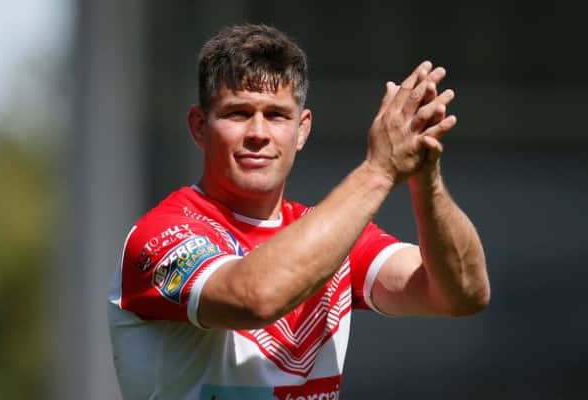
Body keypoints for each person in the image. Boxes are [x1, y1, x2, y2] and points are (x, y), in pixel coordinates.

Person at [107, 23, 490, 399]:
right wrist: (378, 172)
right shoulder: (161, 236)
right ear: (199, 127)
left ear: (302, 129)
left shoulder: (331, 234)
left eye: (276, 115)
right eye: (238, 113)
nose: (258, 133)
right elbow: (255, 298)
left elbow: (463, 293)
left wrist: (426, 179)